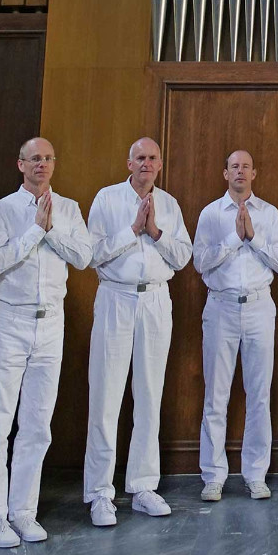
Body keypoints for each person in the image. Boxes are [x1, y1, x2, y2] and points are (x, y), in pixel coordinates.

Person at [0, 137, 92, 547]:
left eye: (47, 158)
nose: (41, 164)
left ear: (54, 164)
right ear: (20, 164)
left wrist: (51, 229)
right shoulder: (2, 209)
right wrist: (34, 232)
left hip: (51, 321)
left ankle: (23, 510)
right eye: (34, 159)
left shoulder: (69, 209)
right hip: (11, 318)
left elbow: (83, 257)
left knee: (38, 423)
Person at [83, 138, 192, 527]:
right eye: (140, 158)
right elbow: (92, 254)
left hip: (156, 300)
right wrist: (133, 230)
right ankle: (100, 493)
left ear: (160, 164)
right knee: (106, 395)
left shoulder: (170, 204)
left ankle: (144, 486)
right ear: (129, 163)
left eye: (153, 158)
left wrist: (156, 231)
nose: (146, 163)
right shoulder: (107, 199)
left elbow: (183, 257)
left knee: (149, 393)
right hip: (116, 297)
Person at [194, 149, 278, 501]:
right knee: (216, 395)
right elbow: (200, 262)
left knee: (259, 394)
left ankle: (255, 474)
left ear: (254, 173)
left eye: (246, 167)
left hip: (259, 307)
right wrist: (234, 239)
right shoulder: (211, 213)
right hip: (221, 306)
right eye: (234, 166)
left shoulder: (269, 213)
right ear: (225, 173)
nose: (240, 171)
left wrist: (253, 237)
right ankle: (213, 476)